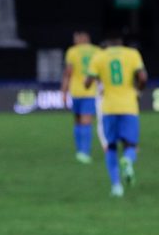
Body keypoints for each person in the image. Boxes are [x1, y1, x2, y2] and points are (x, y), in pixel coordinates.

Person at [85, 31, 147, 197]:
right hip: (129, 106)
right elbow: (142, 77)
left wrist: (98, 80)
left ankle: (116, 186)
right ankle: (127, 160)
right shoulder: (132, 54)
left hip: (108, 108)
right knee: (131, 145)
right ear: (121, 41)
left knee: (111, 147)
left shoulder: (99, 56)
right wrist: (137, 92)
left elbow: (87, 82)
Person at [61, 31, 101, 163]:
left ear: (82, 38)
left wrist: (64, 93)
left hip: (76, 91)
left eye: (75, 38)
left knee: (78, 121)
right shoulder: (97, 51)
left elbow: (68, 73)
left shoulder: (72, 51)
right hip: (90, 91)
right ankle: (83, 152)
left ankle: (80, 151)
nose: (74, 41)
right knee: (86, 121)